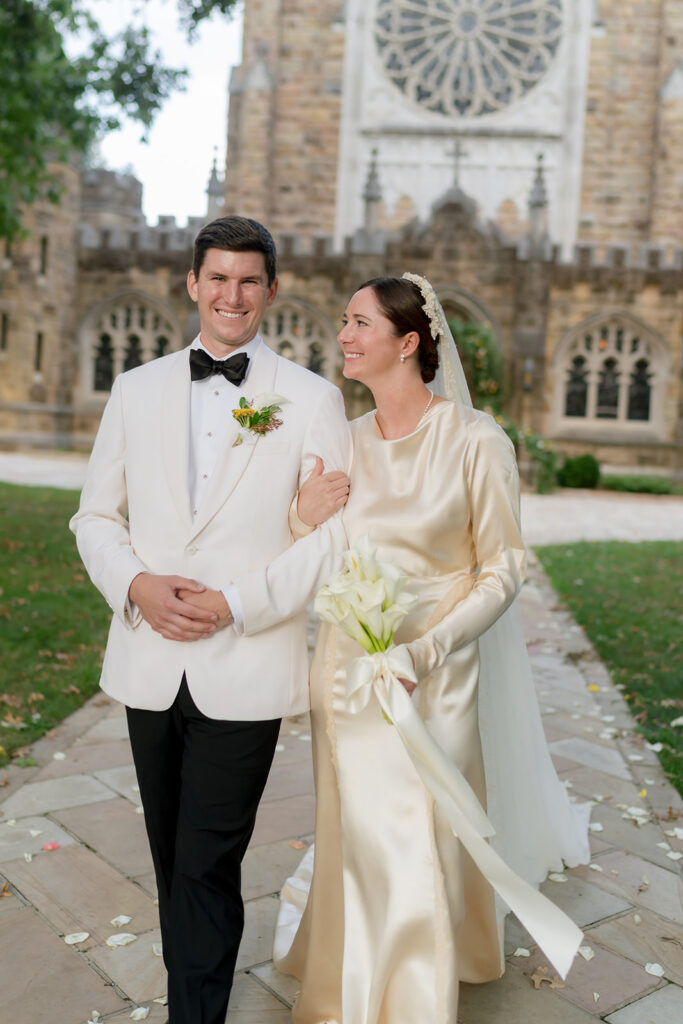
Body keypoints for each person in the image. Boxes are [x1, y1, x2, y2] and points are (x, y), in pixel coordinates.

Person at [273, 274, 590, 1024]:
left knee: (420, 826)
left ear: (408, 342)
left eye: (358, 323)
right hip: (348, 666)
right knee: (354, 827)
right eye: (343, 322)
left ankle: (414, 990)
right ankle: (350, 977)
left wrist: (427, 650)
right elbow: (310, 549)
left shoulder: (476, 441)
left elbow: (503, 568)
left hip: (437, 669)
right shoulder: (339, 443)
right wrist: (296, 513)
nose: (343, 336)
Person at [69, 215, 352, 1024]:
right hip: (147, 660)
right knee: (172, 860)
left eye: (249, 280)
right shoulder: (136, 388)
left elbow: (329, 539)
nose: (232, 295)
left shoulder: (310, 398)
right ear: (192, 284)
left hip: (246, 663)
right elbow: (95, 518)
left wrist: (237, 602)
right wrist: (136, 587)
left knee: (205, 859)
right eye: (217, 278)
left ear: (271, 290)